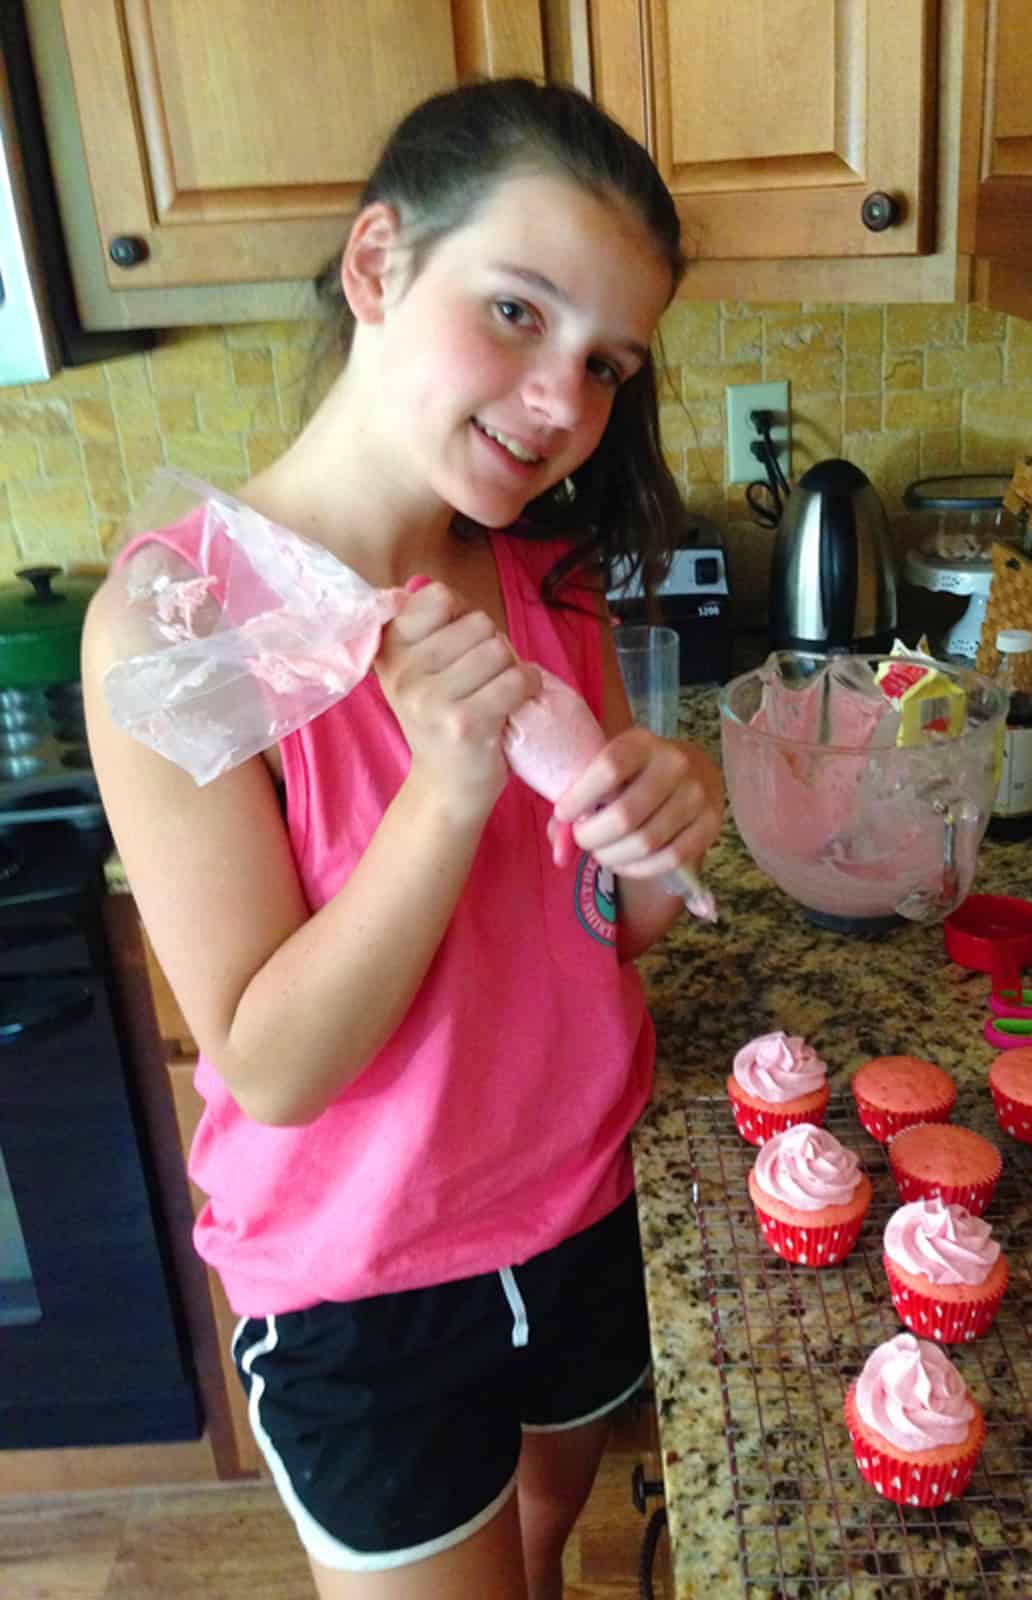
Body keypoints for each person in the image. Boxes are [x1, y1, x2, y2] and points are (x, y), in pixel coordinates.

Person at [82, 77, 724, 1600]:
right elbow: (274, 1063)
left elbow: (598, 940)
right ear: (378, 266)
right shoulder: (182, 623)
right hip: (363, 1290)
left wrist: (649, 835)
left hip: (579, 1212)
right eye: (518, 312)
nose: (566, 401)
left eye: (607, 363)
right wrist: (445, 795)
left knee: (546, 1551)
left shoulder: (548, 580)